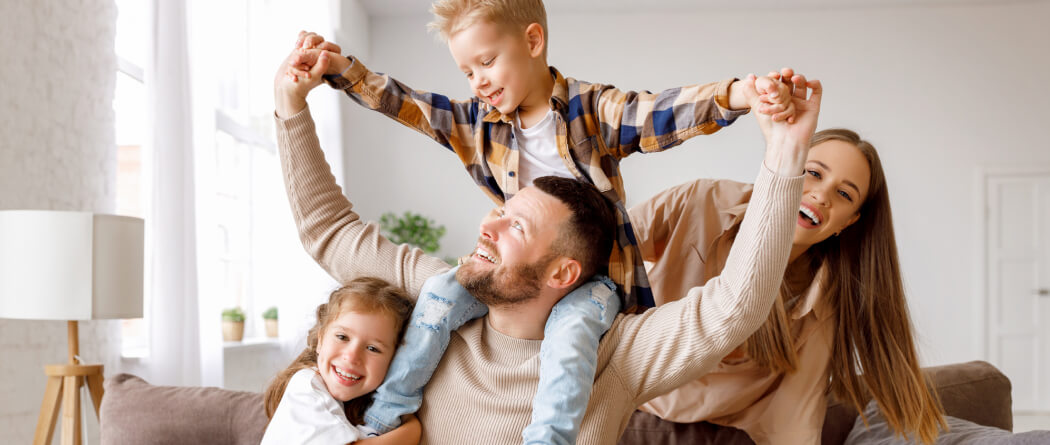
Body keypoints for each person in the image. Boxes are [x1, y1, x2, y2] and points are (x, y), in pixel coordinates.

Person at [284, 0, 795, 438]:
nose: (478, 81)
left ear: (533, 40)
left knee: (571, 339)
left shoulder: (589, 112)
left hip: (593, 291)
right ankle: (386, 415)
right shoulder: (478, 128)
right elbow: (408, 109)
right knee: (440, 294)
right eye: (468, 71)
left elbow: (659, 113)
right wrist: (328, 77)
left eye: (487, 62)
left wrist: (741, 99)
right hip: (485, 306)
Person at [626, 128, 947, 444]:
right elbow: (599, 254)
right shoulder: (702, 202)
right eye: (814, 173)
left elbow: (797, 409)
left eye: (844, 194)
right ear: (787, 166)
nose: (821, 195)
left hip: (723, 426)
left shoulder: (823, 298)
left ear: (848, 221)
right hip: (630, 390)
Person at [261, 278, 420, 445]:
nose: (352, 357)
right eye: (342, 337)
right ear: (320, 340)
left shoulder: (364, 406)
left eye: (373, 348)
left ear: (394, 361)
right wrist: (412, 428)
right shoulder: (307, 386)